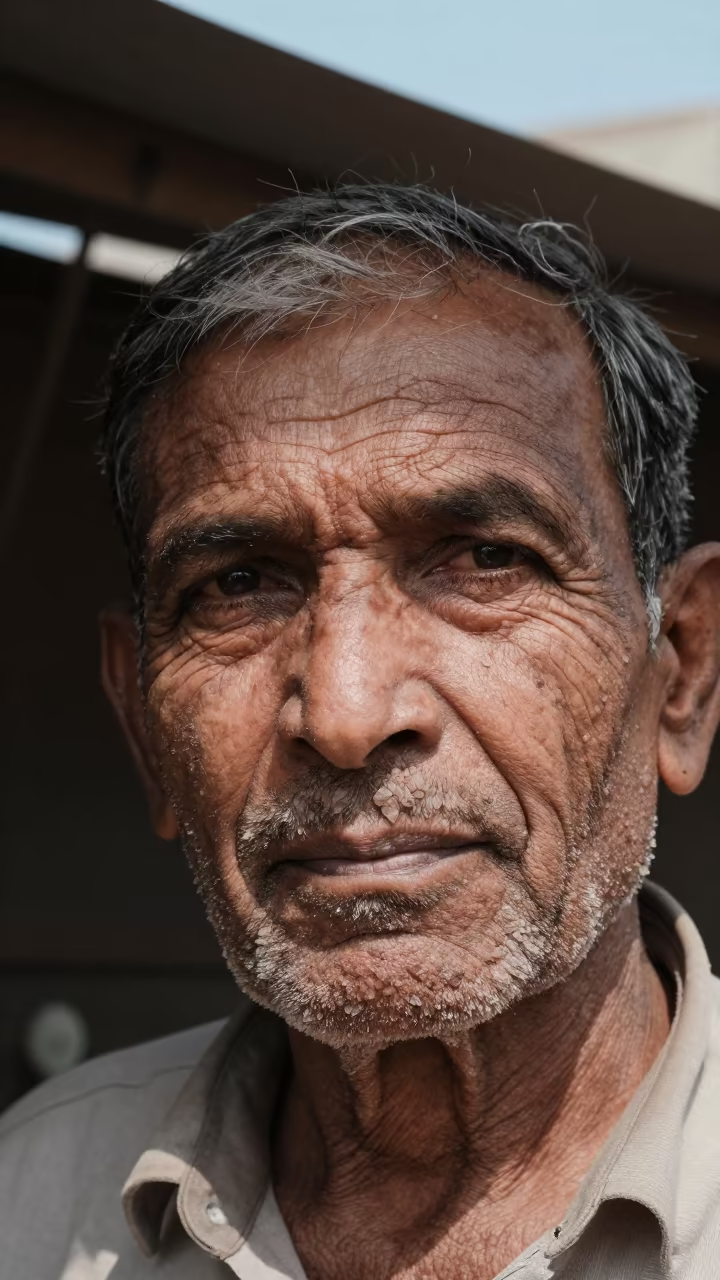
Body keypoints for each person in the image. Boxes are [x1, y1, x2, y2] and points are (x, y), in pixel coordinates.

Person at [2, 184, 720, 1280]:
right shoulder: (33, 1195)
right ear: (144, 719)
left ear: (680, 670)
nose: (343, 714)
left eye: (486, 559)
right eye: (237, 584)